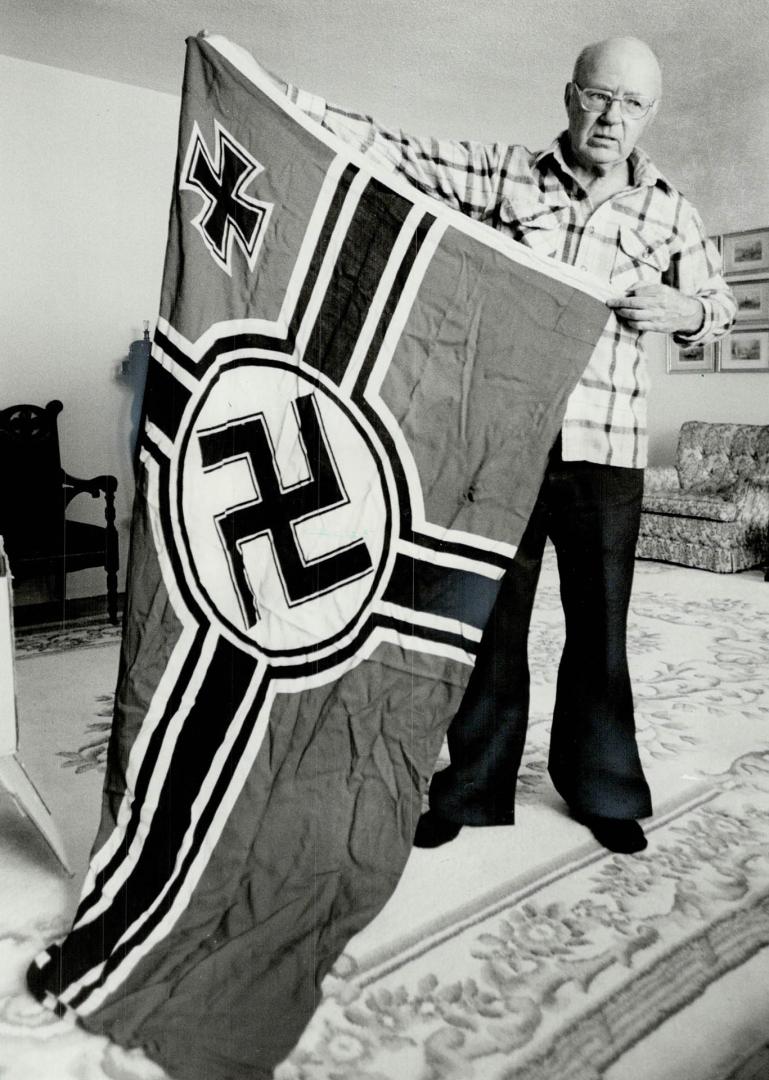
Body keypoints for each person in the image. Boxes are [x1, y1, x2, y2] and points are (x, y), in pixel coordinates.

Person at [275, 36, 736, 853]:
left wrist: (683, 313)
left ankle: (601, 788)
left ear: (649, 115)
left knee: (601, 633)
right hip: (503, 446)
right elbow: (394, 148)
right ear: (568, 96)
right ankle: (472, 788)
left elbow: (718, 306)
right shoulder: (503, 175)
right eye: (598, 97)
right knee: (488, 626)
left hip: (609, 452)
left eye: (631, 104)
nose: (611, 118)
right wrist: (277, 96)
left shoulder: (671, 210)